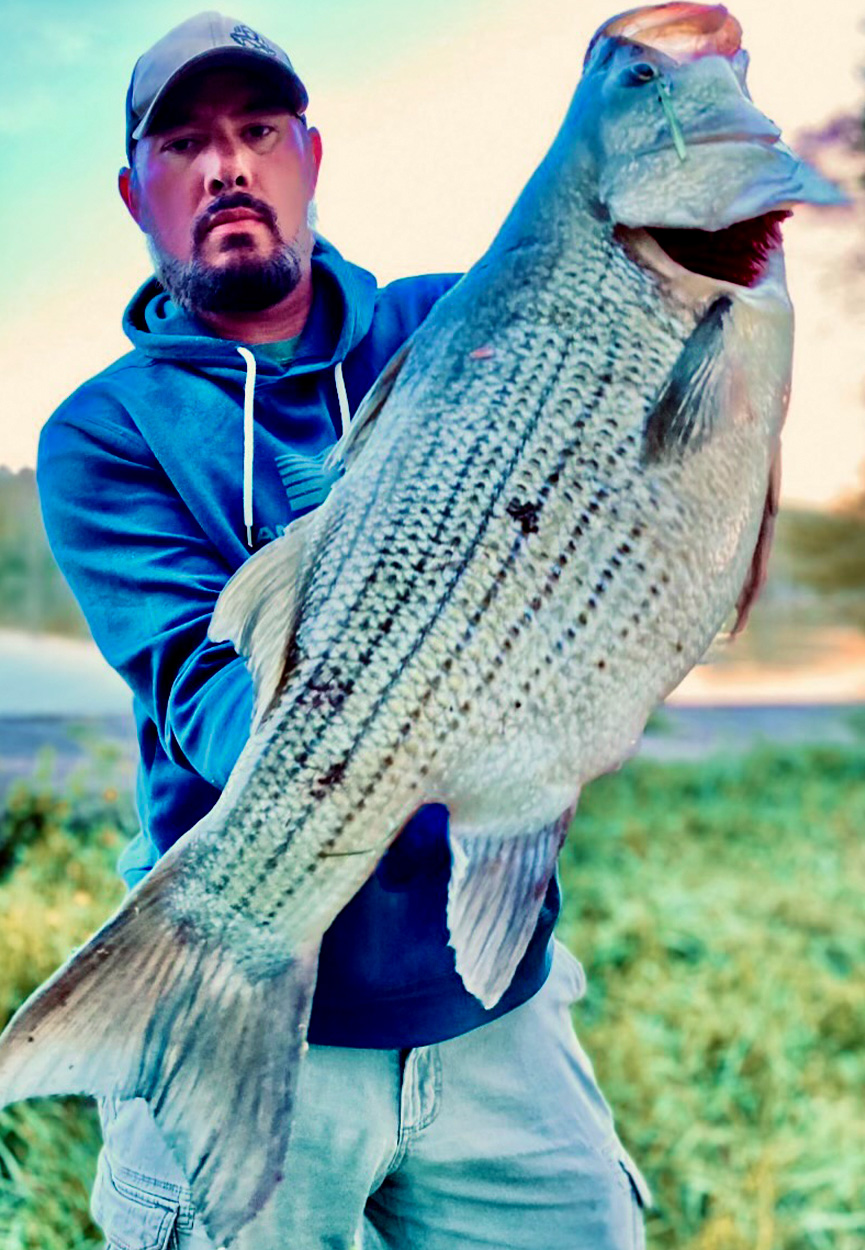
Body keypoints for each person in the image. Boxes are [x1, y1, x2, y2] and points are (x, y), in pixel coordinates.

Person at [37, 12, 650, 1249]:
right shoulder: (103, 433)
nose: (227, 167)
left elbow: (620, 345)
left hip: (490, 992)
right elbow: (201, 700)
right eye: (185, 142)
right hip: (242, 998)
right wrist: (406, 684)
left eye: (258, 131)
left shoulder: (446, 325)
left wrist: (646, 87)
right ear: (134, 192)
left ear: (310, 155)